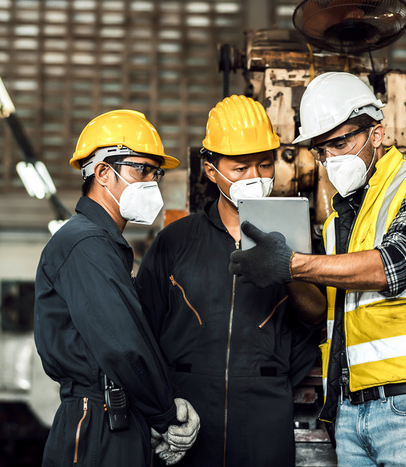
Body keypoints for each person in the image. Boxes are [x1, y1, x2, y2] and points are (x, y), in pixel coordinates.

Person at [229, 72, 406, 466]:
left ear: (377, 134)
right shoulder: (337, 222)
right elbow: (321, 312)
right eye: (321, 150)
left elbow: (393, 264)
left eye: (341, 142)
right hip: (350, 412)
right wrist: (287, 273)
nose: (331, 159)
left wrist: (292, 262)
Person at [134, 95, 327, 467]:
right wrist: (159, 406)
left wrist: (288, 264)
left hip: (264, 411)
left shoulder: (298, 238)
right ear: (210, 169)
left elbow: (316, 316)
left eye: (264, 165)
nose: (255, 178)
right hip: (186, 410)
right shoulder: (175, 242)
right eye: (240, 168)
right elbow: (143, 330)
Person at [34, 109, 200, 466]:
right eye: (141, 169)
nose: (152, 181)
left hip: (118, 415)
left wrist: (160, 403)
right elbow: (123, 346)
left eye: (156, 172)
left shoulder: (103, 244)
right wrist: (164, 413)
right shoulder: (85, 244)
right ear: (104, 173)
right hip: (96, 421)